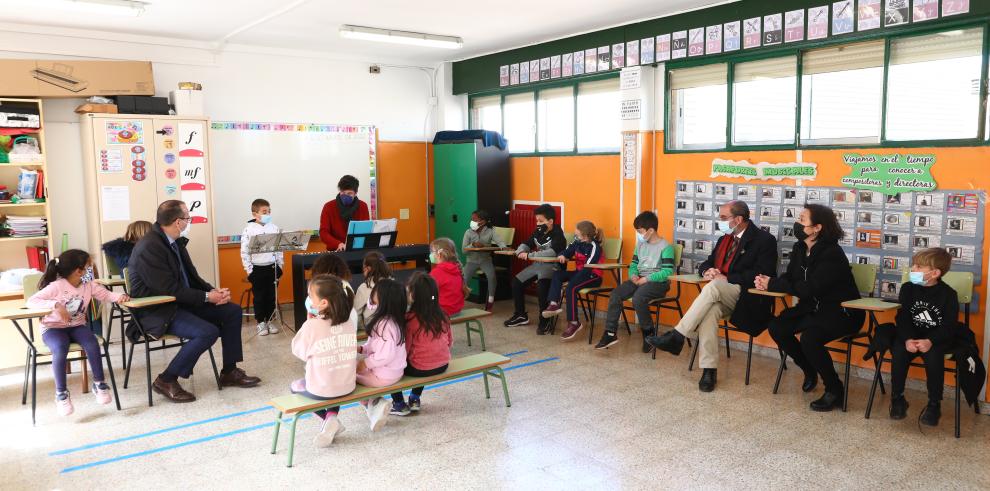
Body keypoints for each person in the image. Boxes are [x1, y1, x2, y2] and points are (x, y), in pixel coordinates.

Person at [128, 200, 260, 403]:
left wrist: (213, 291)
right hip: (157, 310)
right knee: (207, 332)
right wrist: (207, 298)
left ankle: (229, 371)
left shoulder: (175, 241)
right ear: (177, 221)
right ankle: (166, 379)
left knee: (232, 311)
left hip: (181, 303)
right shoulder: (149, 247)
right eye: (187, 218)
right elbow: (169, 289)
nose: (189, 221)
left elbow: (192, 278)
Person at [648, 201, 777, 392]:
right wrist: (706, 271)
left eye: (724, 218)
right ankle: (709, 370)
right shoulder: (725, 239)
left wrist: (726, 277)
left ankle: (677, 335)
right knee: (710, 312)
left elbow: (763, 273)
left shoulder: (764, 240)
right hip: (722, 294)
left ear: (739, 219)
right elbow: (707, 262)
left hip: (749, 297)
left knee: (715, 286)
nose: (720, 221)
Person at [757, 204, 864, 411]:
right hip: (812, 308)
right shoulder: (799, 249)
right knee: (777, 327)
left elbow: (810, 288)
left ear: (817, 228)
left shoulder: (832, 253)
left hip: (841, 312)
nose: (797, 223)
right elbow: (791, 278)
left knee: (810, 338)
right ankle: (809, 368)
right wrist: (767, 282)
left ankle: (834, 389)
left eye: (803, 219)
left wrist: (773, 284)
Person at [26, 249, 129, 416]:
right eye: (89, 266)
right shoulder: (57, 286)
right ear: (78, 271)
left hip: (76, 326)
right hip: (53, 328)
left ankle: (99, 384)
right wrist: (56, 306)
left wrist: (120, 297)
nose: (92, 268)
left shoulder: (88, 286)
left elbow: (106, 295)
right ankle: (61, 394)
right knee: (60, 348)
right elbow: (32, 301)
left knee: (91, 343)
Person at [889, 248, 959, 426]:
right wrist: (907, 339)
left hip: (934, 339)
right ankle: (897, 398)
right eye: (913, 265)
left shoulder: (949, 295)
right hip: (911, 336)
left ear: (935, 273)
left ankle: (934, 404)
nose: (913, 269)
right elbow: (902, 318)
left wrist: (930, 341)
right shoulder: (908, 288)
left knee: (934, 357)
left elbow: (949, 327)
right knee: (898, 351)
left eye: (919, 266)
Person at [290, 275, 357, 447]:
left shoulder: (312, 326)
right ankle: (331, 418)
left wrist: (309, 323)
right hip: (348, 385)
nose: (309, 300)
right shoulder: (349, 322)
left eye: (311, 296)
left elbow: (298, 351)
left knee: (295, 387)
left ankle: (330, 420)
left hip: (321, 389)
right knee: (334, 380)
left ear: (324, 303)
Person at [595, 212, 675, 351]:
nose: (638, 234)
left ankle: (648, 334)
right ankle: (610, 333)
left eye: (640, 231)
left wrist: (647, 279)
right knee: (615, 294)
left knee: (638, 298)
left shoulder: (666, 247)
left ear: (650, 230)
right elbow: (633, 265)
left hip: (658, 283)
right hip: (639, 280)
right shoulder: (640, 245)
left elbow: (667, 272)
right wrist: (633, 275)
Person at [390, 272, 453, 416]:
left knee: (390, 366)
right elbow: (450, 341)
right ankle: (415, 398)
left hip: (419, 369)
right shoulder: (442, 315)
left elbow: (404, 351)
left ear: (412, 295)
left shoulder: (410, 319)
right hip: (443, 364)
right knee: (424, 357)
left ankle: (399, 403)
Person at [503, 204, 567, 334]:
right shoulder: (538, 231)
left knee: (542, 288)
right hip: (538, 265)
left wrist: (529, 255)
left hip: (553, 267)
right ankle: (520, 315)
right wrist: (520, 250)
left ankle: (545, 321)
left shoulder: (558, 234)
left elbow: (552, 253)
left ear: (550, 221)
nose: (538, 223)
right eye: (537, 220)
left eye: (541, 221)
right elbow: (527, 243)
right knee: (516, 283)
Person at [356, 278, 407, 431]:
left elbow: (385, 355)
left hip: (384, 375)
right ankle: (374, 406)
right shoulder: (392, 320)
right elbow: (376, 345)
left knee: (347, 377)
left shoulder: (384, 324)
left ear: (385, 298)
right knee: (353, 370)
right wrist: (362, 349)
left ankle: (374, 404)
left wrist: (365, 363)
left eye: (376, 292)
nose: (372, 293)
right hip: (394, 372)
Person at [543, 220, 604, 341]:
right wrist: (563, 255)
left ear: (585, 236)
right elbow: (568, 249)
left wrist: (573, 280)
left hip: (593, 276)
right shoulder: (577, 242)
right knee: (558, 275)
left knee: (571, 287)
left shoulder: (595, 247)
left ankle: (574, 322)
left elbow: (589, 267)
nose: (575, 235)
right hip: (580, 273)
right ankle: (554, 304)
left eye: (577, 234)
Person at [240, 198, 284, 337]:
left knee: (271, 296)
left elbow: (279, 249)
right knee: (259, 297)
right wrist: (249, 270)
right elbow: (244, 252)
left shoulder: (274, 228)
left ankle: (270, 321)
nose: (268, 213)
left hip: (272, 267)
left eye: (269, 211)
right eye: (264, 211)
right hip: (257, 269)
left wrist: (280, 265)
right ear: (255, 214)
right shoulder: (249, 230)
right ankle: (261, 323)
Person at [462, 209, 507, 311]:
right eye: (471, 219)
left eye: (474, 219)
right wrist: (472, 244)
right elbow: (464, 251)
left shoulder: (491, 231)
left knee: (492, 277)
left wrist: (504, 247)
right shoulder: (468, 232)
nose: (472, 221)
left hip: (485, 260)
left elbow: (500, 241)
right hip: (471, 261)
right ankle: (459, 301)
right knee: (464, 279)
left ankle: (490, 301)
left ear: (482, 222)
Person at [319, 175, 370, 251]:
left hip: (358, 251)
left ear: (356, 193)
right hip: (335, 251)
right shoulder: (328, 207)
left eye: (349, 193)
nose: (346, 196)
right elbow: (323, 233)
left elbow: (365, 230)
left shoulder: (363, 206)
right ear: (339, 191)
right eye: (343, 192)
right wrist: (338, 244)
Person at [353, 251, 392, 329]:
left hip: (373, 328)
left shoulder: (364, 287)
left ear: (368, 268)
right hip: (393, 325)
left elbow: (356, 313)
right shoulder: (393, 283)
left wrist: (364, 327)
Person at [429, 237, 467, 316]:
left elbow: (430, 294)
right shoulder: (457, 268)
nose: (431, 254)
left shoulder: (436, 272)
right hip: (457, 311)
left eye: (432, 251)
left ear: (439, 254)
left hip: (442, 312)